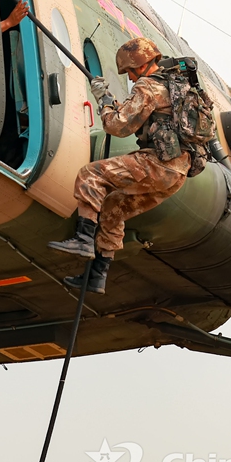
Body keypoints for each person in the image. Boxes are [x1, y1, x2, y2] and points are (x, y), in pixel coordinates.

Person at [47, 37, 192, 293]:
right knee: (114, 206)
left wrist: (102, 100)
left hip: (157, 164)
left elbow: (117, 126)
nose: (132, 78)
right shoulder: (174, 85)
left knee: (90, 175)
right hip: (176, 174)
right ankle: (97, 275)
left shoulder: (148, 87)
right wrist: (111, 102)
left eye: (130, 72)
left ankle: (83, 240)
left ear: (139, 64)